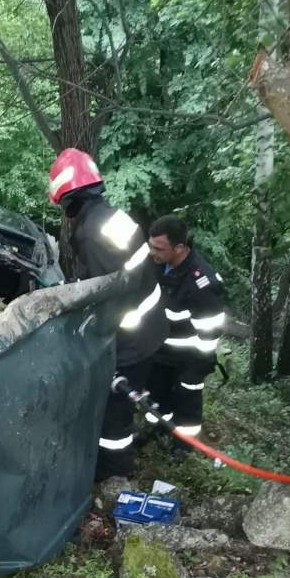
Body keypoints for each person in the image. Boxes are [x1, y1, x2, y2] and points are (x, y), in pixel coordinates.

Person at [48, 148, 168, 481]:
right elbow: (117, 273)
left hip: (132, 337)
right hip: (152, 324)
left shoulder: (87, 232)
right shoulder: (113, 215)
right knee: (124, 402)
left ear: (68, 197)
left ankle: (115, 475)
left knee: (114, 414)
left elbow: (106, 295)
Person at [146, 215, 225, 451]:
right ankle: (159, 427)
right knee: (158, 393)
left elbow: (211, 330)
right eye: (151, 246)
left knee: (186, 400)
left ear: (179, 248)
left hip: (191, 357)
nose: (153, 252)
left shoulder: (201, 283)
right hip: (162, 350)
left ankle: (184, 443)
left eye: (159, 248)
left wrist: (197, 367)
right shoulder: (159, 265)